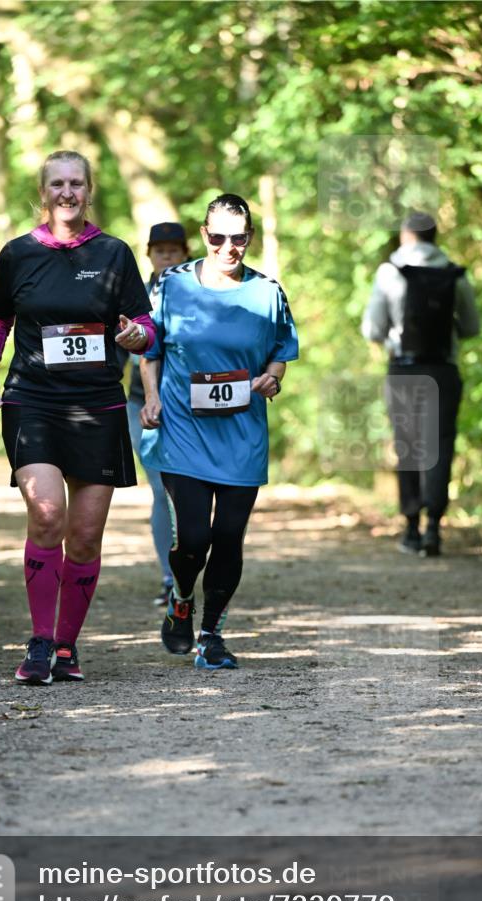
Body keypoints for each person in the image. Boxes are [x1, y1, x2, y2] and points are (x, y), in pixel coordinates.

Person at [0, 150, 154, 684]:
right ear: (43, 192)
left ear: (90, 190)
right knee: (48, 514)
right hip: (32, 400)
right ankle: (37, 641)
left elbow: (146, 325)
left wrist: (136, 336)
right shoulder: (17, 254)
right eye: (57, 183)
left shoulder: (114, 253)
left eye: (76, 183)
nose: (67, 192)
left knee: (83, 536)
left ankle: (66, 646)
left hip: (98, 405)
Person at [139, 193, 299, 670]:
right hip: (183, 430)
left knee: (228, 536)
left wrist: (272, 377)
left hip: (242, 434)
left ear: (250, 236)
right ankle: (182, 596)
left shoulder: (267, 291)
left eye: (240, 237)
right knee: (192, 537)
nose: (230, 247)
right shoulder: (171, 284)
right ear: (204, 234)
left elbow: (281, 350)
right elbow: (150, 349)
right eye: (219, 237)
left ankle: (212, 635)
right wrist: (150, 397)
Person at [362, 210, 479, 556]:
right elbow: (472, 327)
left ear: (406, 235)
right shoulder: (454, 275)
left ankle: (411, 528)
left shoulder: (388, 273)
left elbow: (372, 330)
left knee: (408, 445)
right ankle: (434, 529)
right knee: (441, 446)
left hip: (404, 370)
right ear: (435, 237)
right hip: (443, 370)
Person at [126, 222, 189, 606]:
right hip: (140, 405)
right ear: (149, 252)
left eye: (174, 249)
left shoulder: (200, 291)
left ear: (185, 252)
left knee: (190, 491)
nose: (166, 255)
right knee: (160, 489)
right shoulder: (134, 296)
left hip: (191, 407)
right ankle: (170, 576)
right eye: (159, 249)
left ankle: (190, 563)